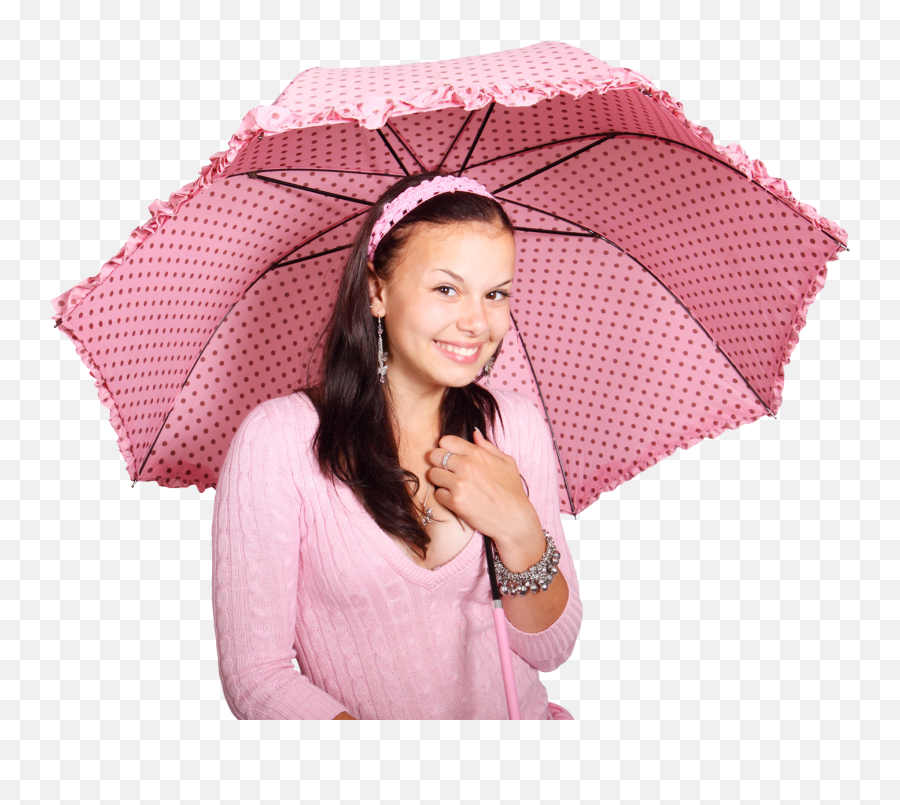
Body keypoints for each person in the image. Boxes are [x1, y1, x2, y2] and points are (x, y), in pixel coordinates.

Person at [211, 169, 583, 719]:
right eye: (446, 289)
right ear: (377, 291)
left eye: (495, 293)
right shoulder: (279, 441)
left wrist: (518, 525)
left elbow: (548, 650)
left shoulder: (513, 425)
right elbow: (256, 679)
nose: (477, 322)